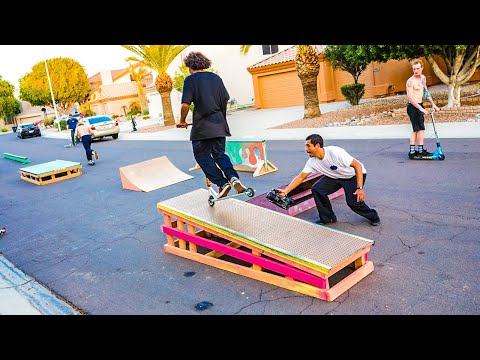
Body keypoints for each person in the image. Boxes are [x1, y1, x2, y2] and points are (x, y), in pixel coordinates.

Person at [178, 51, 247, 198]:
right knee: (219, 154)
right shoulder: (216, 78)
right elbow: (224, 101)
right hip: (219, 124)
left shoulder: (190, 80)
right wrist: (221, 119)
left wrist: (182, 121)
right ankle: (233, 178)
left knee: (201, 156)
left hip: (202, 127)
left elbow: (185, 104)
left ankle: (222, 183)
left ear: (190, 66)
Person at [277, 134, 381, 226]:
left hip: (353, 176)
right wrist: (286, 191)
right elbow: (301, 177)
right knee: (317, 188)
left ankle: (373, 216)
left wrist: (360, 188)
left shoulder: (335, 152)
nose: (306, 149)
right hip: (335, 176)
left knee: (353, 202)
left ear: (317, 145)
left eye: (308, 146)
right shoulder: (312, 162)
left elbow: (357, 166)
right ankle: (328, 218)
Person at [406, 59, 440, 159]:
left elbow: (426, 92)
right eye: (414, 69)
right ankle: (415, 152)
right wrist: (421, 109)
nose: (416, 71)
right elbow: (410, 98)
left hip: (419, 105)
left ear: (422, 68)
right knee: (418, 129)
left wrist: (433, 104)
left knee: (419, 129)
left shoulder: (423, 78)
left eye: (417, 68)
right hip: (413, 107)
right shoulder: (410, 81)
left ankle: (417, 151)